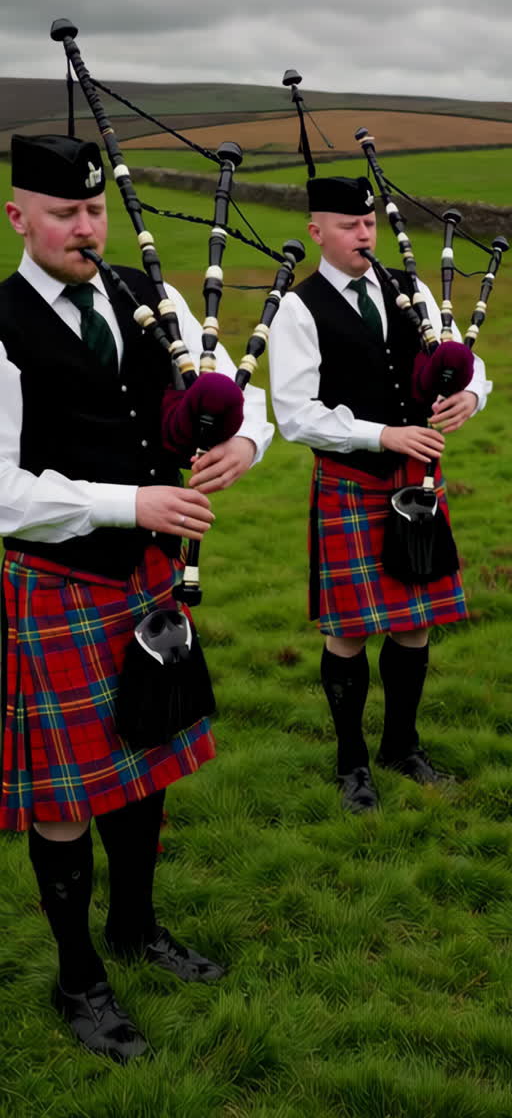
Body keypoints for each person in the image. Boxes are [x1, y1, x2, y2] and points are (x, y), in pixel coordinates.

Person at [0, 133, 273, 1061]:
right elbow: (0, 490)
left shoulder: (140, 296)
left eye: (94, 211)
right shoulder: (2, 324)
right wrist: (129, 500)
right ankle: (79, 978)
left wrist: (249, 441)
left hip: (147, 577)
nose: (86, 229)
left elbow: (232, 384)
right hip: (61, 580)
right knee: (66, 796)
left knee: (147, 754)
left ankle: (136, 927)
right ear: (19, 218)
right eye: (67, 214)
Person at [268, 175, 491, 813]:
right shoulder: (298, 307)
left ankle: (402, 745)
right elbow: (296, 414)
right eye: (348, 226)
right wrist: (384, 434)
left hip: (417, 483)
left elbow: (467, 362)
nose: (364, 235)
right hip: (353, 481)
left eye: (368, 224)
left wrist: (472, 395)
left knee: (415, 624)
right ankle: (351, 763)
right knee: (348, 632)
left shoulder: (409, 288)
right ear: (317, 232)